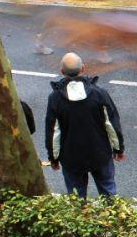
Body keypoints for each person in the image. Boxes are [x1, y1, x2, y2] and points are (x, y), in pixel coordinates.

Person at [45, 52, 125, 199]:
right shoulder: (99, 93)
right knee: (108, 193)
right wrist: (118, 148)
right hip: (100, 154)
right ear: (83, 68)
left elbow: (53, 132)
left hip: (71, 159)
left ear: (62, 71)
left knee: (77, 198)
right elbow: (111, 125)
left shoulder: (55, 98)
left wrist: (54, 158)